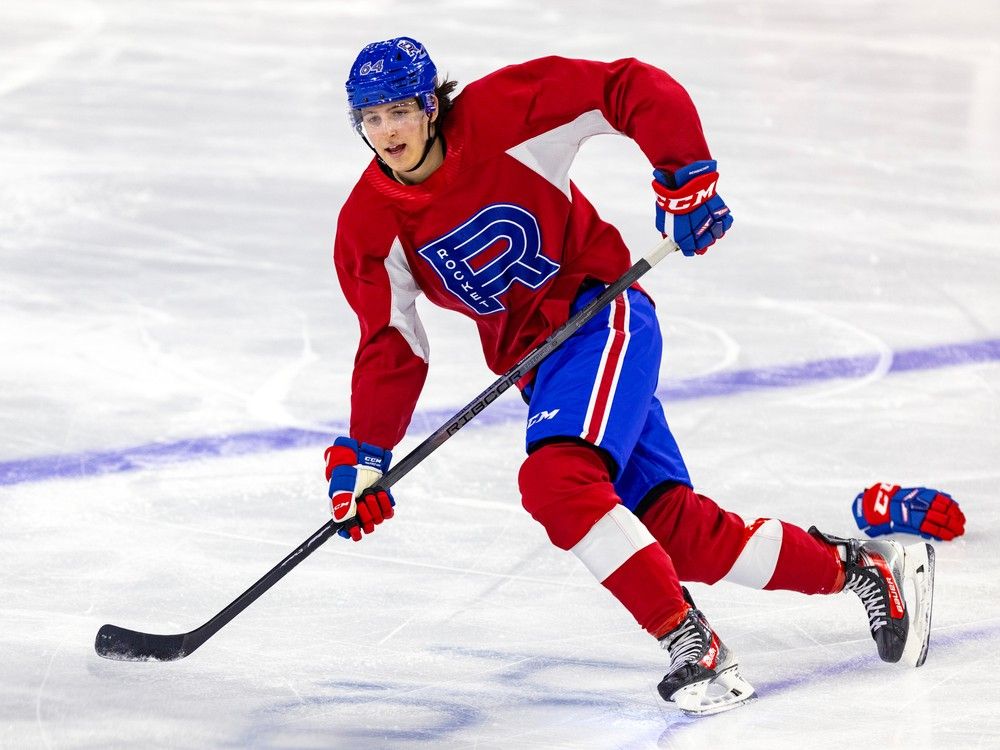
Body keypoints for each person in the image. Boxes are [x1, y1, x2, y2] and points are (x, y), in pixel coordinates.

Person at [324, 37, 939, 716]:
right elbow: (390, 345)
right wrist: (366, 457)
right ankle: (864, 568)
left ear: (431, 105)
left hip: (601, 316)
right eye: (372, 118)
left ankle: (691, 643)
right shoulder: (368, 224)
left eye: (401, 111)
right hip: (541, 368)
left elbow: (627, 86)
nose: (388, 132)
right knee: (679, 533)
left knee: (556, 481)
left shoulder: (504, 112)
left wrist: (686, 175)